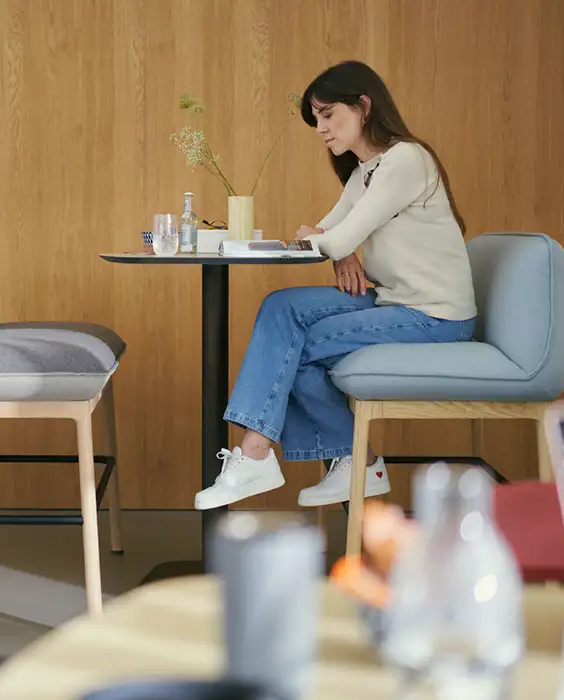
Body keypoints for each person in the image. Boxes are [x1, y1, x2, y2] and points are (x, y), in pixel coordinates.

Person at [195, 60, 478, 510]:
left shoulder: (406, 159)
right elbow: (321, 232)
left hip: (435, 317)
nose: (320, 128)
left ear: (363, 106)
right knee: (281, 308)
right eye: (316, 119)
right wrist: (339, 249)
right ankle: (354, 461)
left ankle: (259, 453)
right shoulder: (365, 171)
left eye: (328, 115)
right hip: (395, 304)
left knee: (293, 346)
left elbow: (332, 235)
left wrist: (338, 244)